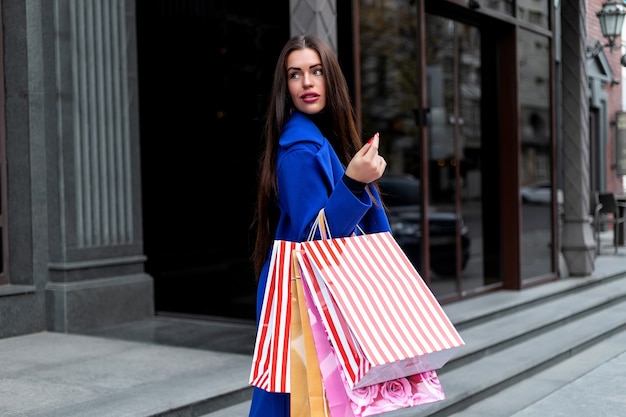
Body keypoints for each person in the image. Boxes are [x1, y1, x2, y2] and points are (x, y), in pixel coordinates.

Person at [249, 34, 392, 417]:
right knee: (305, 400)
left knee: (308, 399)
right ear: (286, 87)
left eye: (316, 71)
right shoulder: (300, 150)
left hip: (311, 297)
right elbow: (312, 239)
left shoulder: (322, 138)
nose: (307, 83)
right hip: (306, 299)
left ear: (331, 79)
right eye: (295, 75)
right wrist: (353, 182)